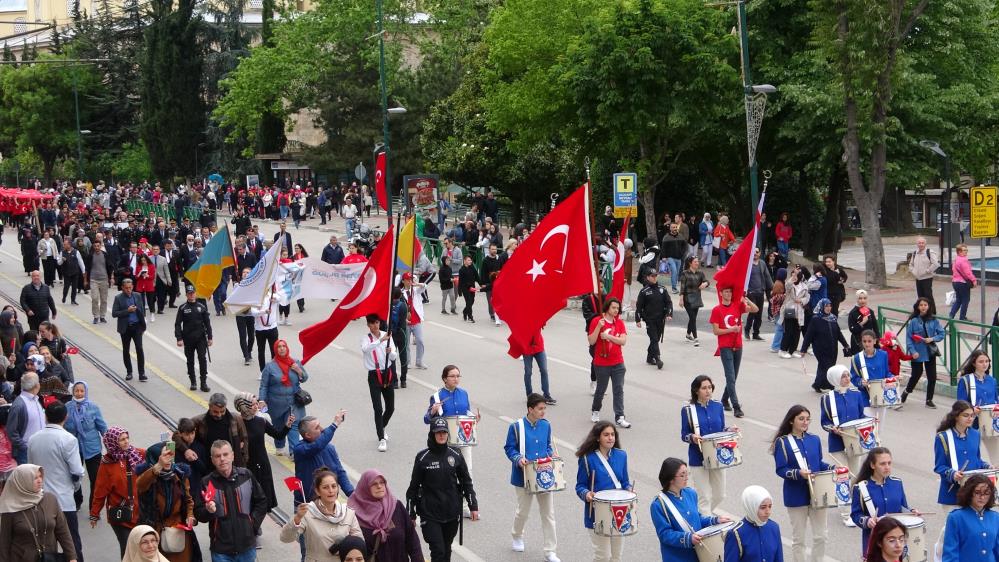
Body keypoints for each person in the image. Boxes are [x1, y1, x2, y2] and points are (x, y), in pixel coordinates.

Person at [407, 417, 479, 562]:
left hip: (451, 512)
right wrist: (411, 513)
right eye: (438, 432)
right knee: (438, 551)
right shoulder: (423, 458)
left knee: (446, 550)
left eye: (444, 432)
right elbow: (413, 488)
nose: (441, 435)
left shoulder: (456, 454)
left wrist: (473, 506)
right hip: (430, 513)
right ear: (432, 434)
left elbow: (466, 482)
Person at [772, 405, 835, 562]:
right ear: (792, 421)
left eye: (808, 419)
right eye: (801, 419)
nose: (805, 422)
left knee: (821, 536)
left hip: (818, 494)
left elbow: (818, 464)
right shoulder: (783, 442)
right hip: (795, 495)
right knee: (799, 539)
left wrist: (833, 468)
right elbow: (780, 469)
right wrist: (797, 473)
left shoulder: (814, 439)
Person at [27, 402, 85, 561]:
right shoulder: (68, 439)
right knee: (72, 543)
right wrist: (75, 486)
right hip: (64, 501)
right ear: (65, 417)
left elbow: (31, 469)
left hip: (39, 501)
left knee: (45, 547)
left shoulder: (33, 439)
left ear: (45, 417)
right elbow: (77, 471)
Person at [503, 393, 558, 561]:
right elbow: (509, 448)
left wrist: (550, 456)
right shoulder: (516, 427)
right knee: (523, 512)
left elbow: (548, 446)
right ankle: (517, 534)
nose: (543, 412)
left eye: (544, 409)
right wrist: (518, 459)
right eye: (540, 409)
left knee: (548, 514)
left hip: (543, 474)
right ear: (530, 409)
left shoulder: (546, 425)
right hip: (523, 475)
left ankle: (550, 551)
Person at [194, 440, 269, 562]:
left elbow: (261, 501)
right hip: (221, 551)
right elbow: (199, 513)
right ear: (212, 460)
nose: (222, 459)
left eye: (225, 454)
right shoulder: (207, 483)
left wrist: (252, 524)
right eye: (218, 456)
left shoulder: (246, 475)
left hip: (247, 547)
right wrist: (208, 511)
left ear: (232, 455)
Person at [649, 456, 726, 561]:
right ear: (671, 479)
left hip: (699, 554)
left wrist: (715, 520)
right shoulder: (658, 505)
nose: (687, 477)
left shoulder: (691, 493)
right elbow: (665, 534)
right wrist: (688, 538)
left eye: (687, 473)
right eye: (682, 475)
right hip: (677, 557)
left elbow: (697, 518)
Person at [575, 421, 631, 562]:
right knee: (603, 556)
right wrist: (587, 494)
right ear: (598, 437)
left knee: (616, 556)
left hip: (619, 510)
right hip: (597, 512)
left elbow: (624, 481)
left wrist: (629, 489)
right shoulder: (587, 459)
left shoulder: (621, 455)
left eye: (612, 434)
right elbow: (580, 486)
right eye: (606, 435)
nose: (610, 438)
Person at [280, 468, 363, 561]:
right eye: (325, 487)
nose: (331, 490)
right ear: (317, 491)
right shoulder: (307, 513)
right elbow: (285, 538)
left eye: (334, 486)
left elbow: (359, 543)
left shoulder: (348, 513)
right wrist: (297, 518)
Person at [0, 464, 78, 562]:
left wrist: (72, 557)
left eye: (40, 476)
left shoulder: (50, 499)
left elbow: (63, 531)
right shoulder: (10, 507)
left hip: (49, 558)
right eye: (35, 478)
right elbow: (4, 542)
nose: (39, 480)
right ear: (22, 481)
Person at [680, 375, 734, 514]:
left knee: (720, 495)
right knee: (704, 497)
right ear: (696, 390)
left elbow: (721, 429)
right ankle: (706, 526)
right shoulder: (688, 410)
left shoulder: (718, 406)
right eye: (704, 388)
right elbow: (684, 435)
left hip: (717, 456)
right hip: (698, 458)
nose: (708, 391)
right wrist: (692, 437)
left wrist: (730, 430)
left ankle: (698, 516)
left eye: (710, 387)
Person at [849, 447, 917, 555]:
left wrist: (912, 512)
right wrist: (867, 521)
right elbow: (855, 514)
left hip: (896, 542)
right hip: (875, 541)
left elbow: (903, 507)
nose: (887, 467)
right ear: (872, 465)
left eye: (889, 463)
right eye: (883, 464)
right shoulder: (860, 488)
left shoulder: (897, 483)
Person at [90, 426, 146, 557]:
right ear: (113, 442)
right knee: (128, 549)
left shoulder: (137, 454)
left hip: (140, 511)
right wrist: (94, 513)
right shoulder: (107, 464)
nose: (126, 441)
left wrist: (169, 443)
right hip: (122, 515)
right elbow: (100, 491)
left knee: (143, 548)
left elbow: (156, 453)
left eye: (127, 438)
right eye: (122, 439)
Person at [232, 392, 292, 513]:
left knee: (263, 499)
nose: (257, 407)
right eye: (253, 404)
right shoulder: (234, 423)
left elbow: (278, 436)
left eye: (257, 404)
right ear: (244, 406)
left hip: (262, 464)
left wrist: (287, 426)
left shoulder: (261, 421)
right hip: (245, 465)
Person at [135, 443, 195, 562]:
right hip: (154, 533)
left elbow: (188, 500)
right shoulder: (149, 478)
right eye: (164, 456)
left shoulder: (180, 475)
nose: (168, 460)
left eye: (170, 455)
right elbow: (140, 485)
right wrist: (158, 466)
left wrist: (190, 516)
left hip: (177, 531)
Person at [347, 469, 422, 562]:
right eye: (374, 484)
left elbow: (412, 540)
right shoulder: (353, 514)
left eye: (382, 483)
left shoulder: (396, 506)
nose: (379, 486)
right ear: (365, 487)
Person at [424, 365, 479, 489]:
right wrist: (433, 411)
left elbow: (467, 413)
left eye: (458, 376)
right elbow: (426, 419)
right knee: (448, 471)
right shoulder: (437, 396)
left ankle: (467, 503)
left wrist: (474, 418)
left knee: (467, 470)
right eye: (452, 376)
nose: (456, 379)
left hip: (464, 438)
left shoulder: (464, 393)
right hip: (447, 441)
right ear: (444, 379)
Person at [710, 283, 758, 419]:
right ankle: (736, 406)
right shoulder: (717, 310)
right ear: (720, 294)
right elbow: (716, 331)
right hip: (725, 346)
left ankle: (725, 399)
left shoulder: (737, 305)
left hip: (738, 345)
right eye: (725, 292)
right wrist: (731, 330)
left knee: (734, 377)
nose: (728, 294)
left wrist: (745, 299)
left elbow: (755, 309)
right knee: (730, 377)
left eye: (730, 292)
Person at [934, 400, 990, 506]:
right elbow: (939, 466)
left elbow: (977, 459)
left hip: (974, 492)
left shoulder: (975, 434)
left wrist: (987, 466)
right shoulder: (943, 437)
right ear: (956, 416)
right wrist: (952, 474)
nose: (970, 419)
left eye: (972, 415)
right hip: (952, 494)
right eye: (966, 415)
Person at [257, 339, 308, 455]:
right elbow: (264, 385)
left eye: (283, 346)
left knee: (293, 425)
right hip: (276, 403)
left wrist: (298, 370)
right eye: (279, 347)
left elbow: (305, 378)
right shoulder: (270, 367)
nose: (281, 348)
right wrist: (262, 400)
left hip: (293, 401)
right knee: (279, 426)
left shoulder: (295, 362)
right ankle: (279, 446)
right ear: (275, 350)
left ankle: (294, 452)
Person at [292, 414, 353, 505]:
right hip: (307, 504)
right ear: (308, 435)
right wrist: (334, 425)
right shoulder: (300, 449)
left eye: (320, 425)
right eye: (317, 427)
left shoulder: (329, 448)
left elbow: (339, 472)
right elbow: (317, 446)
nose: (322, 429)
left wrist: (352, 494)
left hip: (329, 502)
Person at [588, 297, 631, 427]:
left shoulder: (619, 323)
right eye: (613, 307)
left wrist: (609, 337)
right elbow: (591, 341)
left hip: (618, 362)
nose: (616, 310)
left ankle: (620, 416)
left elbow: (623, 341)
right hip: (601, 363)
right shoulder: (597, 321)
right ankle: (595, 410)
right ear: (607, 308)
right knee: (601, 389)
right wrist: (598, 328)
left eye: (618, 308)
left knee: (618, 389)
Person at [65, 381, 108, 509]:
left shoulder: (93, 407)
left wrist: (109, 445)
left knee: (95, 479)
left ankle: (94, 507)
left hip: (92, 448)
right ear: (73, 392)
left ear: (86, 392)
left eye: (81, 391)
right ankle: (77, 501)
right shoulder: (67, 407)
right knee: (74, 477)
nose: (79, 393)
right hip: (73, 448)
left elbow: (102, 427)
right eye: (76, 391)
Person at [942, 472, 999, 561]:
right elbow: (950, 554)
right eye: (977, 492)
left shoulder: (995, 517)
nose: (982, 497)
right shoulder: (956, 517)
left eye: (986, 493)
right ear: (969, 492)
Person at [361, 314, 397, 452]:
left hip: (387, 373)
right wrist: (381, 341)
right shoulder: (366, 339)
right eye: (372, 323)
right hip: (374, 376)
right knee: (378, 408)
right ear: (368, 325)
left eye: (377, 323)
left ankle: (381, 426)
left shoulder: (387, 335)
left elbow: (394, 356)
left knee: (390, 408)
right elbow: (365, 349)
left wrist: (391, 352)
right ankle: (381, 438)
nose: (375, 326)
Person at [800, 298, 850, 393]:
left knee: (829, 366)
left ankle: (822, 384)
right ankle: (822, 384)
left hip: (832, 348)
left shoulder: (833, 318)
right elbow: (808, 335)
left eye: (830, 306)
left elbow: (838, 333)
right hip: (820, 349)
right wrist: (803, 349)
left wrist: (845, 345)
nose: (828, 308)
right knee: (825, 366)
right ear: (821, 307)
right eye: (826, 306)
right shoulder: (816, 320)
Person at [903, 297, 945, 408]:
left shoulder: (934, 320)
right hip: (917, 352)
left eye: (925, 305)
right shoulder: (913, 321)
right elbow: (908, 339)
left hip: (930, 351)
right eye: (921, 305)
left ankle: (929, 400)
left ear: (929, 306)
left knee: (932, 376)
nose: (923, 307)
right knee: (916, 374)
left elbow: (942, 334)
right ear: (918, 307)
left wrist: (932, 339)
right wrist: (913, 351)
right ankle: (907, 391)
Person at [958, 350, 999, 462]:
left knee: (996, 456)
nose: (985, 364)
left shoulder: (992, 380)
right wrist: (971, 409)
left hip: (990, 424)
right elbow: (960, 404)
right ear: (973, 363)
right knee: (972, 456)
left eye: (986, 361)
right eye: (981, 361)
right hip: (972, 424)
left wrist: (997, 408)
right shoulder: (966, 380)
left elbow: (996, 399)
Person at [723, 485, 783, 562]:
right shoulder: (736, 533)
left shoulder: (774, 527)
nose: (768, 511)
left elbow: (779, 559)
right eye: (763, 507)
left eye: (770, 506)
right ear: (751, 506)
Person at [850, 330, 893, 432]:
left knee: (879, 429)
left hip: (881, 397)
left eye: (869, 341)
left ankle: (877, 447)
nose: (867, 344)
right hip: (865, 397)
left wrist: (893, 379)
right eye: (864, 341)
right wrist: (860, 382)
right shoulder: (856, 358)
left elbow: (887, 373)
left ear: (875, 341)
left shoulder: (883, 355)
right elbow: (853, 377)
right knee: (868, 429)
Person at [175, 285, 213, 392]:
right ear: (186, 294)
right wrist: (179, 338)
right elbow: (177, 324)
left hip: (201, 338)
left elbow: (207, 323)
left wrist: (210, 337)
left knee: (202, 359)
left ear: (195, 294)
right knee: (190, 360)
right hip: (188, 339)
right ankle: (193, 382)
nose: (191, 295)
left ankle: (203, 383)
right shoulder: (182, 308)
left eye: (193, 293)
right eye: (189, 293)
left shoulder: (202, 307)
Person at [635, 270, 672, 370]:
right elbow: (639, 307)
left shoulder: (662, 289)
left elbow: (669, 302)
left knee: (655, 339)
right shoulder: (644, 291)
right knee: (654, 339)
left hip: (660, 320)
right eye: (652, 276)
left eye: (656, 275)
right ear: (648, 277)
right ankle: (658, 358)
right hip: (649, 320)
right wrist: (637, 319)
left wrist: (669, 313)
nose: (655, 277)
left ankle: (650, 357)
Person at [112, 278, 147, 382]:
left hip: (137, 327)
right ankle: (129, 372)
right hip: (125, 328)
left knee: (139, 349)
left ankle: (142, 373)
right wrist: (127, 311)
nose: (128, 290)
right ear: (122, 288)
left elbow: (142, 309)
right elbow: (114, 313)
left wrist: (143, 325)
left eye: (130, 288)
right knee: (126, 350)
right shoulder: (118, 298)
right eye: (126, 288)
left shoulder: (137, 296)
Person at [6, 371, 45, 464]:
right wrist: (24, 447)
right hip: (25, 453)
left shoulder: (35, 399)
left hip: (39, 450)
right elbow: (11, 431)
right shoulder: (19, 405)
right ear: (36, 386)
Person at [518, 329, 556, 404]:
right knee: (528, 372)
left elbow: (543, 321)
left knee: (544, 370)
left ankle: (546, 395)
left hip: (539, 347)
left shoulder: (536, 318)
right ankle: (529, 396)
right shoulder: (522, 320)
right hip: (527, 349)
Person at [744, 248, 773, 341]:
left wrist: (772, 288)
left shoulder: (762, 263)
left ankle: (756, 333)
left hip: (760, 292)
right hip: (751, 292)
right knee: (753, 312)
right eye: (754, 252)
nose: (755, 253)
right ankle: (747, 330)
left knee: (759, 315)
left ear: (760, 253)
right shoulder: (748, 264)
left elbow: (767, 276)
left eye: (757, 252)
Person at [678, 257, 708, 347]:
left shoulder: (700, 273)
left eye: (697, 262)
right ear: (690, 263)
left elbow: (707, 281)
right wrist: (681, 299)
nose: (697, 263)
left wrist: (705, 284)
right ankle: (695, 338)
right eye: (695, 262)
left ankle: (688, 335)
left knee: (693, 318)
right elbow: (682, 287)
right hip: (687, 298)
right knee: (693, 317)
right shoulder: (685, 273)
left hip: (697, 298)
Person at [779, 267, 808, 359]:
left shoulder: (804, 286)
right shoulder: (790, 285)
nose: (794, 277)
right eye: (792, 276)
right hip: (789, 308)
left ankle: (793, 350)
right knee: (788, 330)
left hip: (799, 309)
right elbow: (787, 285)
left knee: (797, 331)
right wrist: (792, 278)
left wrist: (802, 300)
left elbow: (807, 298)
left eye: (796, 276)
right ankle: (783, 350)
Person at [401, 273, 428, 369]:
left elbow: (425, 286)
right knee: (406, 343)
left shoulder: (416, 290)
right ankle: (407, 361)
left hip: (416, 320)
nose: (409, 281)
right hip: (406, 322)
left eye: (411, 280)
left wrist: (417, 284)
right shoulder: (401, 293)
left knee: (420, 341)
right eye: (407, 280)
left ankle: (419, 361)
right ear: (403, 281)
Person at [87, 239, 114, 324]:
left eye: (98, 246)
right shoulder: (90, 256)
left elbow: (110, 267)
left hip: (104, 279)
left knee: (104, 299)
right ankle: (96, 316)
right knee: (94, 298)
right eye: (95, 246)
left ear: (101, 246)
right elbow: (86, 269)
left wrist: (111, 278)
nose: (97, 247)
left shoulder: (105, 255)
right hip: (93, 279)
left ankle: (102, 316)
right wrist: (85, 280)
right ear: (93, 247)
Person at [908, 237, 939, 310]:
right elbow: (911, 264)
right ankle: (922, 312)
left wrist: (928, 271)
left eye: (922, 243)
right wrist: (913, 271)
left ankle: (932, 312)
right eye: (919, 243)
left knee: (928, 296)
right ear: (917, 244)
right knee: (920, 297)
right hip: (918, 278)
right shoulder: (915, 253)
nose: (921, 244)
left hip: (927, 278)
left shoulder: (930, 252)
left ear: (925, 244)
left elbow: (935, 264)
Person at [251, 294, 280, 372]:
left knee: (274, 351)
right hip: (260, 329)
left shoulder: (272, 295)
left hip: (272, 328)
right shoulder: (255, 298)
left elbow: (280, 298)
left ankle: (275, 370)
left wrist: (275, 299)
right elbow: (254, 313)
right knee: (261, 351)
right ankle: (262, 371)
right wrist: (264, 311)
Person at [847, 290, 880, 355]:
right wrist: (862, 323)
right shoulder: (853, 313)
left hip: (870, 342)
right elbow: (852, 329)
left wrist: (877, 339)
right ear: (857, 299)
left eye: (864, 298)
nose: (863, 300)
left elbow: (875, 327)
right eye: (860, 298)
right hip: (858, 343)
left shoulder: (870, 311)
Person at [950, 243, 978, 320]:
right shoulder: (963, 260)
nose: (966, 252)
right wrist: (974, 280)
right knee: (965, 300)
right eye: (964, 250)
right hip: (963, 283)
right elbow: (968, 273)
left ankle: (951, 315)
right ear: (959, 252)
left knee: (958, 300)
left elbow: (953, 270)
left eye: (966, 250)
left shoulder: (956, 260)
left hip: (955, 282)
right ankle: (962, 317)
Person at [457, 255, 479, 322]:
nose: (470, 261)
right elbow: (461, 281)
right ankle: (470, 317)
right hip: (465, 288)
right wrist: (459, 291)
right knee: (469, 302)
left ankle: (464, 311)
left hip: (472, 287)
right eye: (469, 260)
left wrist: (481, 283)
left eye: (471, 260)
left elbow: (477, 276)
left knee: (472, 301)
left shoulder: (472, 268)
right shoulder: (461, 270)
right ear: (465, 261)